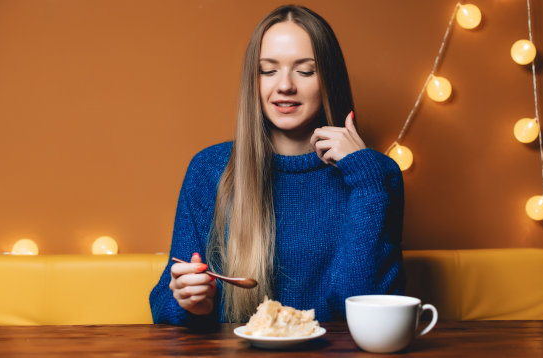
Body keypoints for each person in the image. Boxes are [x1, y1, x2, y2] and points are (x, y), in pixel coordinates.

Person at [149, 5, 405, 326]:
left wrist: (366, 181)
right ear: (252, 82)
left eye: (306, 71)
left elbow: (364, 308)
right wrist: (189, 302)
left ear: (329, 79)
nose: (284, 85)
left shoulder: (378, 176)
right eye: (268, 70)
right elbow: (162, 304)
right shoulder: (209, 169)